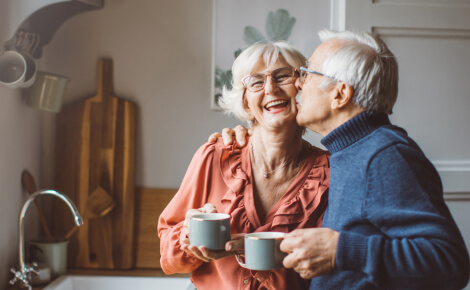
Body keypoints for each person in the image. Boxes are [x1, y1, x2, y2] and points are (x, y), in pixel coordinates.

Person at [213, 29, 470, 289]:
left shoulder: (386, 156)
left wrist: (340, 250)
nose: (299, 84)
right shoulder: (351, 151)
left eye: (308, 73)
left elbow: (450, 263)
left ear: (340, 95)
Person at [158, 41, 330, 290]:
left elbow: (327, 269)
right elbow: (168, 257)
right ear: (247, 102)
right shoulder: (214, 156)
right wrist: (189, 234)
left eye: (282, 76)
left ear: (302, 89)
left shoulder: (328, 172)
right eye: (256, 82)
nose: (270, 88)